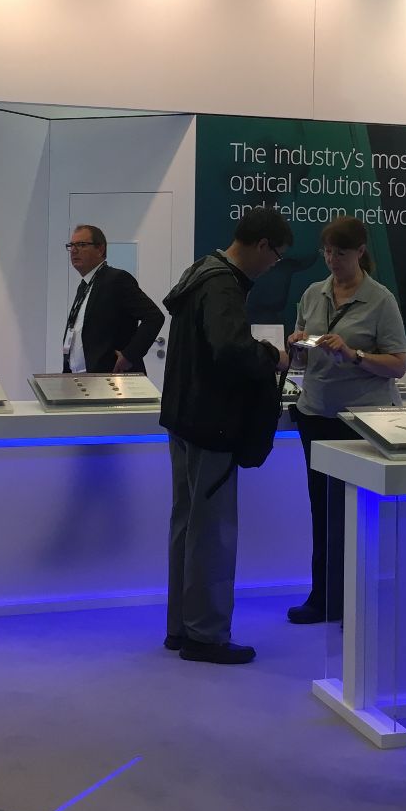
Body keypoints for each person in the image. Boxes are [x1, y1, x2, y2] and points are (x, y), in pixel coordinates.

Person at [159, 207, 293, 665]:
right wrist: (273, 357)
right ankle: (206, 634)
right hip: (211, 423)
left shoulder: (200, 271)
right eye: (276, 256)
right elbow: (231, 349)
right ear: (262, 245)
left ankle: (181, 626)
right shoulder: (222, 284)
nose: (273, 265)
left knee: (186, 524)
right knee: (212, 531)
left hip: (184, 419)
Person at [285, 215, 406, 625]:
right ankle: (323, 596)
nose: (332, 260)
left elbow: (397, 365)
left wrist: (353, 355)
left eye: (340, 253)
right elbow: (301, 361)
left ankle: (362, 600)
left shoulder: (380, 300)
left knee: (358, 513)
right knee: (322, 509)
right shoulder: (312, 293)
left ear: (360, 252)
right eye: (327, 252)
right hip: (316, 414)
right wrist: (297, 347)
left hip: (361, 421)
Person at [61, 225, 165, 374]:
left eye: (82, 245)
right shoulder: (84, 286)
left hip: (112, 377)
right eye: (71, 245)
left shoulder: (116, 280)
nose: (74, 250)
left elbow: (154, 317)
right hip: (80, 378)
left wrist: (129, 355)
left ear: (100, 249)